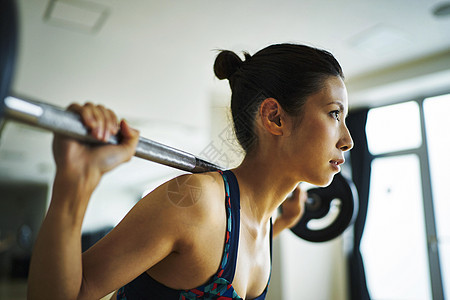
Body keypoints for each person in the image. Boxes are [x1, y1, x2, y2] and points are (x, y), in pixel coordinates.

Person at [27, 43, 353, 300]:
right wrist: (73, 183)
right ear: (275, 118)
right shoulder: (194, 202)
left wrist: (282, 223)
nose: (348, 140)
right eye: (334, 114)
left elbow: (213, 261)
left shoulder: (264, 224)